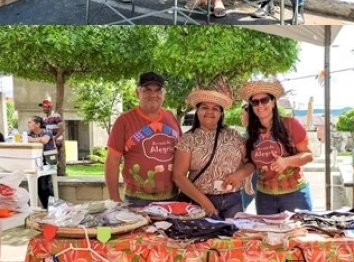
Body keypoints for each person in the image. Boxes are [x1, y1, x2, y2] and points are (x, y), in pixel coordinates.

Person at [228, 79, 314, 214]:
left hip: (295, 195)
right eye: (255, 102)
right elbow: (252, 164)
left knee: (297, 234)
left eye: (265, 100)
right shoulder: (251, 133)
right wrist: (238, 175)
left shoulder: (291, 124)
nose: (260, 105)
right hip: (264, 197)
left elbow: (308, 155)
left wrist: (287, 161)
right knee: (267, 234)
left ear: (273, 102)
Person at [105, 72, 181, 205]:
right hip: (137, 201)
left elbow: (182, 153)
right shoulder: (124, 121)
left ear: (164, 94)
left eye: (158, 91)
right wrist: (114, 199)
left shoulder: (171, 118)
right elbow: (112, 161)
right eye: (147, 90)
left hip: (172, 199)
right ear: (137, 93)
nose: (153, 95)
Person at [173, 86, 247, 219]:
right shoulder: (187, 139)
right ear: (197, 111)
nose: (209, 112)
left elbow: (250, 163)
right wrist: (206, 204)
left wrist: (239, 175)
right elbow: (179, 176)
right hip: (200, 202)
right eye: (204, 107)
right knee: (205, 239)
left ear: (221, 113)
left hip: (233, 200)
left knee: (235, 238)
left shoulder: (233, 135)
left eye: (215, 109)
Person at [26, 116, 56, 209]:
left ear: (38, 124)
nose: (28, 124)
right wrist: (35, 139)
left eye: (30, 122)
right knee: (39, 187)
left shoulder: (47, 132)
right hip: (36, 163)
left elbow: (44, 140)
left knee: (45, 186)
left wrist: (31, 139)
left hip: (48, 162)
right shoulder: (29, 133)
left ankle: (54, 207)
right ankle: (47, 208)